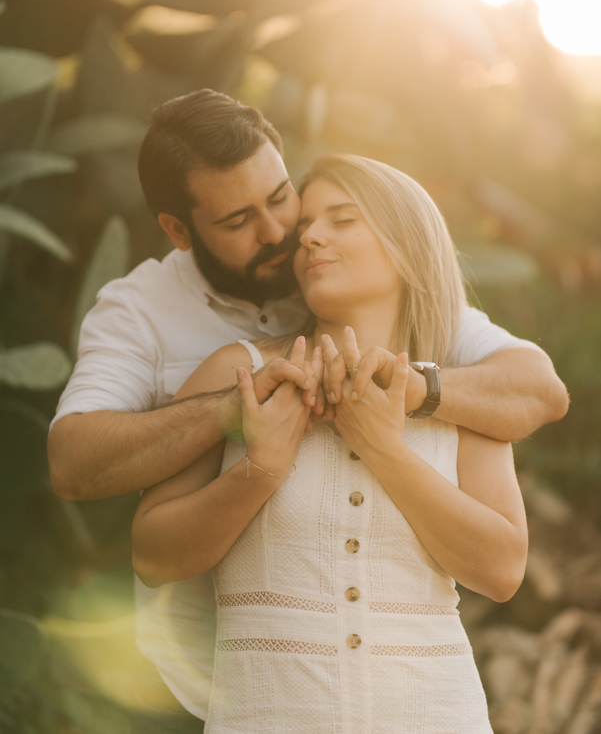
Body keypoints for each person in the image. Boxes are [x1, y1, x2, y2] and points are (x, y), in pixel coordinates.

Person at [47, 90, 567, 728]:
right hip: (217, 693)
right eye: (238, 221)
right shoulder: (164, 326)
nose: (293, 235)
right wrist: (249, 442)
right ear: (180, 231)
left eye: (288, 203)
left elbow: (536, 404)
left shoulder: (456, 371)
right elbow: (87, 477)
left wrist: (395, 422)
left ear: (403, 244)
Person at [131, 154, 530, 733]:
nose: (310, 237)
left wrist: (385, 450)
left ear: (406, 243)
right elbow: (152, 556)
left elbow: (503, 570)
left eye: (342, 220)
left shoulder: (460, 392)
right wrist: (261, 469)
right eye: (306, 229)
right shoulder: (237, 374)